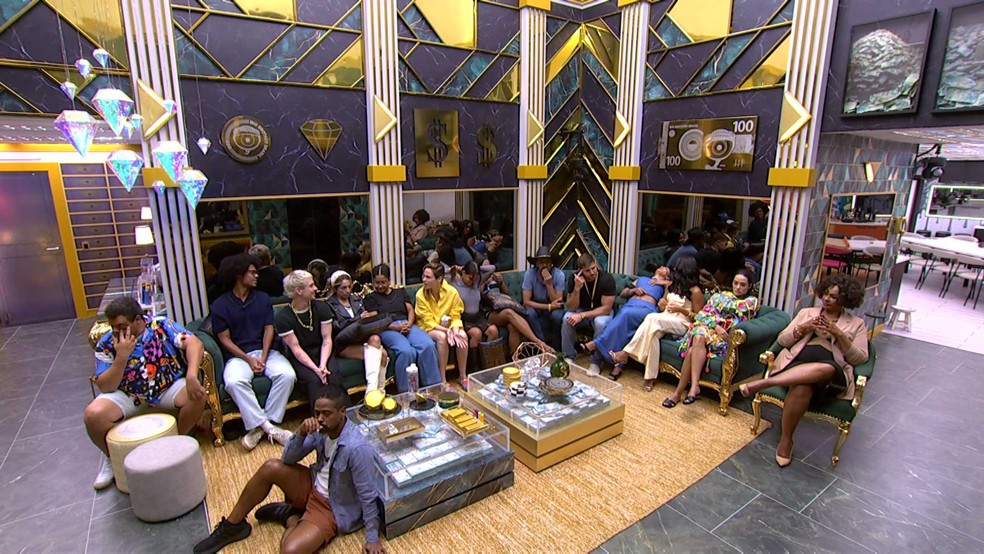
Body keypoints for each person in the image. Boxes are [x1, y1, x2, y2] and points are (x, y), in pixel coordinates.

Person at [193, 387, 385, 554]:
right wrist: (300, 432)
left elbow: (368, 495)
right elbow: (288, 459)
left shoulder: (356, 448)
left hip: (331, 506)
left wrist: (372, 539)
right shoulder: (321, 429)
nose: (320, 418)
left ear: (342, 412)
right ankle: (232, 526)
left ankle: (291, 517)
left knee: (289, 550)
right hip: (313, 483)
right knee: (271, 467)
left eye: (326, 413)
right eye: (317, 413)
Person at [737, 273, 868, 467]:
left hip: (831, 375)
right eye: (825, 293)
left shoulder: (856, 324)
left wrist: (839, 334)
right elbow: (782, 340)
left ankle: (766, 382)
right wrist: (802, 328)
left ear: (845, 299)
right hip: (796, 363)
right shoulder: (807, 313)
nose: (826, 299)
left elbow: (860, 358)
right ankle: (786, 441)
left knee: (826, 368)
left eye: (833, 296)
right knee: (802, 388)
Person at [84, 297, 207, 490]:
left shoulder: (161, 326)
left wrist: (191, 376)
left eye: (122, 326)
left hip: (165, 386)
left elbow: (194, 344)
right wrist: (121, 357)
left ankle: (176, 443)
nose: (117, 331)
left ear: (138, 320)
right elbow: (106, 386)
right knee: (93, 415)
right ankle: (113, 459)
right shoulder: (107, 343)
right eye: (113, 327)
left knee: (198, 395)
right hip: (127, 393)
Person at [210, 253, 296, 450]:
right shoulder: (220, 305)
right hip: (239, 356)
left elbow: (269, 329)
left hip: (267, 353)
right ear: (238, 274)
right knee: (233, 382)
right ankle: (269, 428)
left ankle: (260, 428)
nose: (257, 276)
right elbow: (224, 339)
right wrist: (248, 359)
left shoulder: (262, 298)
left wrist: (263, 357)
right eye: (252, 272)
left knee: (287, 375)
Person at [663, 270, 759, 408]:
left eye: (743, 285)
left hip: (724, 339)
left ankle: (678, 393)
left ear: (749, 286)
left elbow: (735, 318)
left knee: (693, 347)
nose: (738, 287)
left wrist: (715, 323)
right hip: (708, 332)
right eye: (735, 283)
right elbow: (701, 314)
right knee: (698, 336)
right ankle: (693, 387)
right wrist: (716, 326)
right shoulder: (720, 296)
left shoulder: (750, 302)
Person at [610, 257, 705, 392]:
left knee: (651, 317)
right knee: (653, 334)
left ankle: (626, 353)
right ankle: (650, 377)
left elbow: (699, 318)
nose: (674, 272)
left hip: (683, 323)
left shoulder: (695, 291)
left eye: (678, 270)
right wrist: (662, 304)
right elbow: (662, 303)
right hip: (665, 318)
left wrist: (682, 310)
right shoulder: (672, 285)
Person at [363, 264, 441, 391]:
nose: (380, 286)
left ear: (389, 280)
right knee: (407, 351)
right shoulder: (370, 298)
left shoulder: (400, 292)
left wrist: (409, 324)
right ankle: (406, 391)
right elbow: (376, 320)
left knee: (428, 345)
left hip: (406, 324)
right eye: (377, 283)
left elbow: (410, 310)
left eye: (383, 282)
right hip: (387, 328)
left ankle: (433, 387)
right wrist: (396, 327)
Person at [583, 268, 669, 378]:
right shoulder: (642, 279)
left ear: (667, 276)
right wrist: (633, 291)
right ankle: (619, 365)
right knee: (624, 326)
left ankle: (597, 343)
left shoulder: (665, 286)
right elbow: (623, 294)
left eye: (666, 269)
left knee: (624, 315)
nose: (662, 267)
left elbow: (664, 302)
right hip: (630, 305)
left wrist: (665, 284)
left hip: (646, 309)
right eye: (661, 266)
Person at [275, 270, 339, 411]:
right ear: (299, 291)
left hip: (323, 351)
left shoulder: (322, 307)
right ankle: (320, 418)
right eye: (311, 285)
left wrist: (322, 365)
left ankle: (342, 415)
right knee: (314, 380)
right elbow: (296, 350)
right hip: (301, 357)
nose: (315, 288)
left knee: (332, 375)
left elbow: (327, 340)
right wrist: (316, 370)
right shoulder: (283, 317)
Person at [325, 271, 389, 392]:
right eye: (343, 288)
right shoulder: (329, 305)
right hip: (343, 343)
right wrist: (358, 319)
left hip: (360, 337)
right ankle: (374, 392)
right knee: (382, 355)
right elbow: (336, 326)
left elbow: (364, 320)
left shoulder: (356, 300)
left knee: (375, 339)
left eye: (349, 287)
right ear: (335, 288)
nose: (348, 290)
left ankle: (378, 391)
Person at [415, 263, 469, 382]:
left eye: (428, 277)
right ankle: (443, 380)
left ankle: (462, 376)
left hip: (447, 326)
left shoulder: (452, 292)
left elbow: (456, 315)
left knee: (462, 335)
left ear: (439, 279)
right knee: (442, 337)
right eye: (423, 276)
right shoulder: (420, 295)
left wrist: (455, 330)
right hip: (428, 328)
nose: (424, 280)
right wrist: (447, 330)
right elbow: (428, 321)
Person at [560, 253, 615, 363]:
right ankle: (569, 356)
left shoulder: (607, 279)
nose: (592, 273)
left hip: (601, 311)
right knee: (567, 319)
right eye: (587, 271)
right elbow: (571, 308)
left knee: (600, 323)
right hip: (582, 309)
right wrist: (577, 289)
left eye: (593, 268)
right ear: (580, 271)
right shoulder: (574, 279)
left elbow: (606, 309)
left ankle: (596, 361)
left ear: (595, 264)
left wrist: (582, 315)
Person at [449, 261, 499, 367]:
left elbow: (492, 268)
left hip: (478, 316)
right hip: (464, 318)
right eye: (470, 278)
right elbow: (440, 274)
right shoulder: (454, 281)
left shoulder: (477, 282)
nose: (472, 281)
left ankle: (488, 365)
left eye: (475, 278)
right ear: (463, 273)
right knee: (477, 333)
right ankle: (475, 367)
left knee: (493, 330)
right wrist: (455, 269)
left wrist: (475, 268)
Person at [521, 246, 566, 347]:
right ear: (537, 264)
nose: (544, 265)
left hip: (554, 307)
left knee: (557, 316)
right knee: (529, 313)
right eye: (541, 262)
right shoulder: (530, 274)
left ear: (551, 263)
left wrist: (549, 284)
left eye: (547, 262)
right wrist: (548, 306)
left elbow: (558, 302)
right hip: (536, 305)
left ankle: (556, 347)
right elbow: (526, 302)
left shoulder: (559, 275)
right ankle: (543, 346)